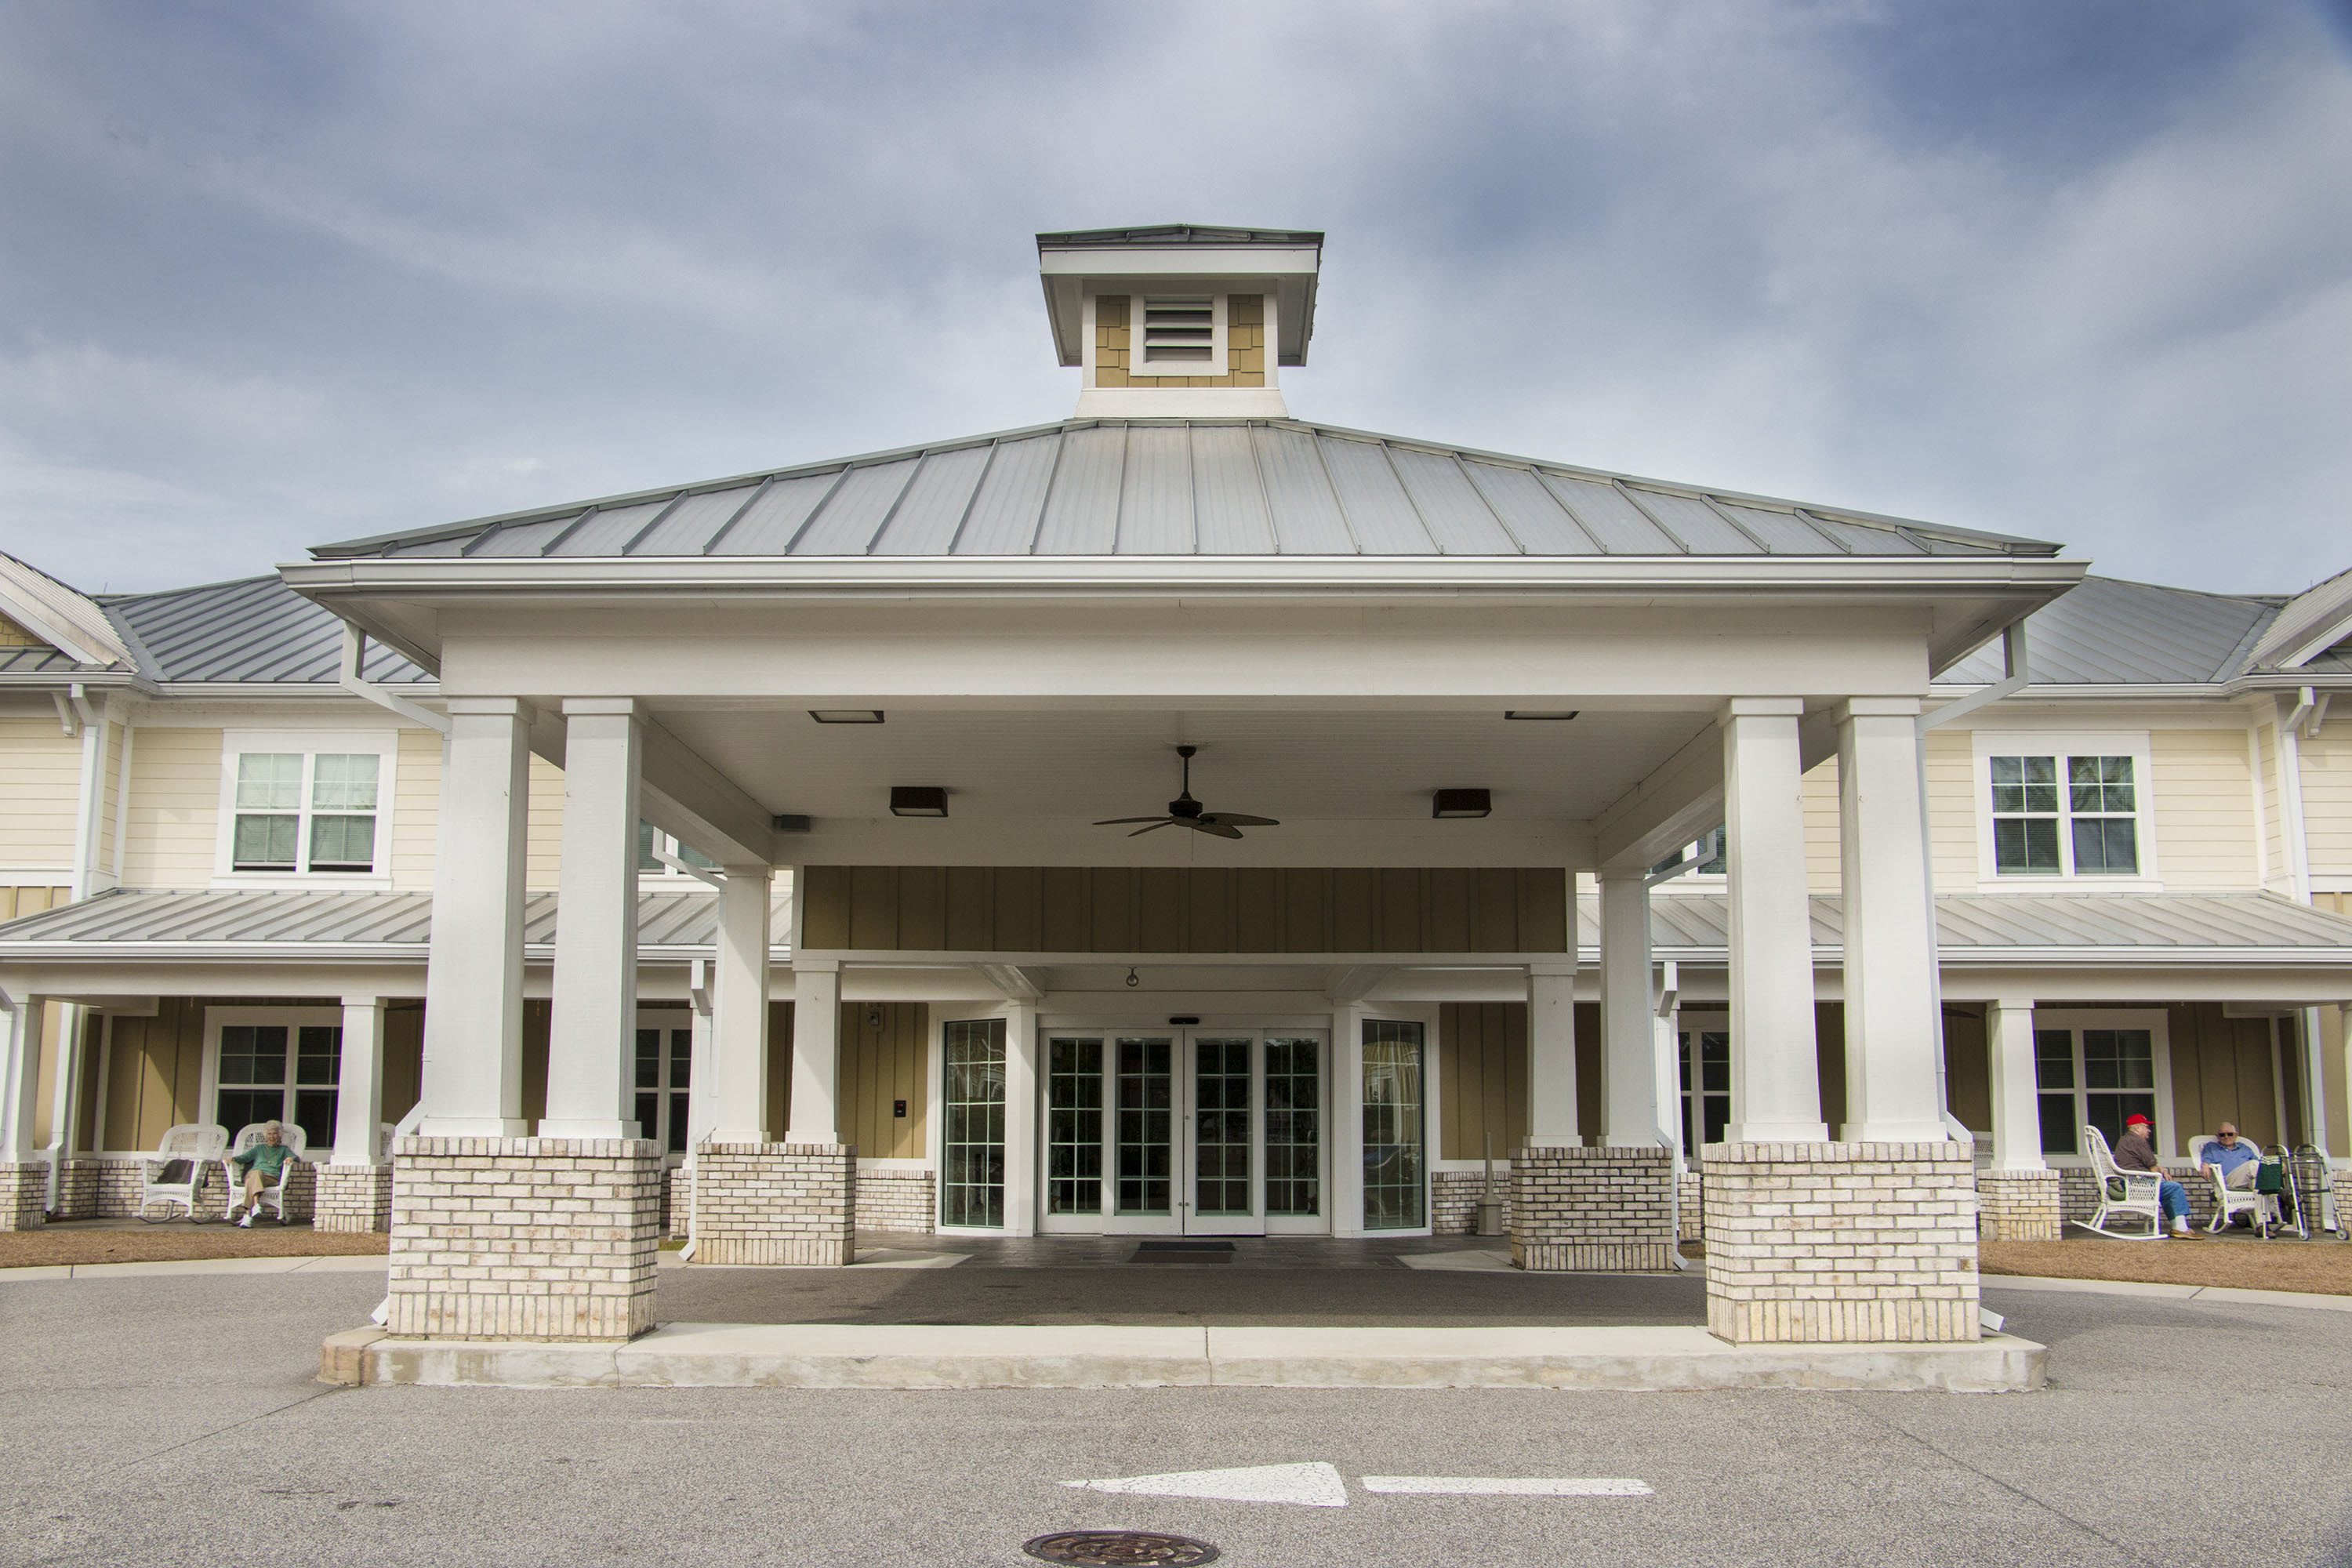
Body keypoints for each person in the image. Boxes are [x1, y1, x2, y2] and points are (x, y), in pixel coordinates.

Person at [2113, 1112, 2194, 1238]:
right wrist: (2161, 1173)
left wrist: (2160, 1169)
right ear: (2137, 1128)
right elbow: (2153, 1167)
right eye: (2146, 1127)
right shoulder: (2138, 1141)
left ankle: (2176, 1227)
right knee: (2175, 1188)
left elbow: (2149, 1164)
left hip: (2128, 1182)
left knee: (2168, 1191)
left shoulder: (2125, 1140)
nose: (2149, 1131)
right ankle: (2182, 1228)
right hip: (2138, 1185)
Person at [229, 1123, 299, 1228]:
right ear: (266, 1136)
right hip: (255, 1175)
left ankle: (248, 1216)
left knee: (251, 1179)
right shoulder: (259, 1148)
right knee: (256, 1173)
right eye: (269, 1134)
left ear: (279, 1135)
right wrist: (233, 1159)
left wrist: (291, 1158)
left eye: (275, 1134)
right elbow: (244, 1158)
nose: (272, 1136)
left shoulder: (284, 1149)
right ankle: (256, 1205)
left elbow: (297, 1158)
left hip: (270, 1177)